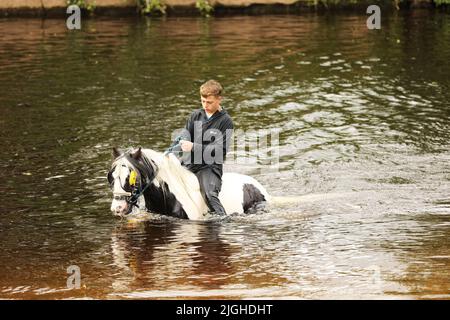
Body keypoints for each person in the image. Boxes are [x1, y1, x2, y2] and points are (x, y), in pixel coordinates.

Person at [168, 80, 234, 216]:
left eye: (209, 102)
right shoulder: (195, 115)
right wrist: (173, 150)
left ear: (219, 99)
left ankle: (223, 219)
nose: (205, 105)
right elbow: (184, 135)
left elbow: (220, 151)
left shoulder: (226, 121)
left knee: (209, 195)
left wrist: (193, 146)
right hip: (189, 163)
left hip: (210, 167)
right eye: (203, 101)